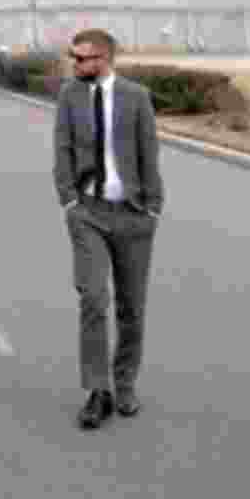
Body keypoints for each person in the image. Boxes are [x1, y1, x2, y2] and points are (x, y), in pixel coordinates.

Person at [54, 28, 164, 430]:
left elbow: (149, 153)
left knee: (131, 307)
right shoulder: (69, 95)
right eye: (74, 57)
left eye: (83, 58)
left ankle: (125, 382)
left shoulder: (136, 97)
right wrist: (68, 200)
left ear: (105, 58)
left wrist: (153, 209)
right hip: (88, 213)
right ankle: (97, 391)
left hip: (134, 216)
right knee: (94, 297)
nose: (77, 64)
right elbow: (62, 149)